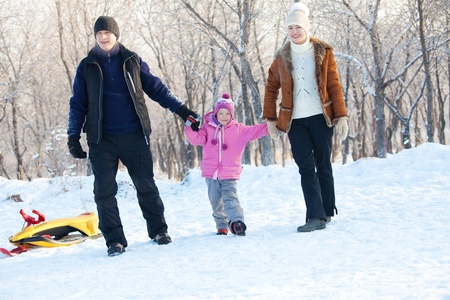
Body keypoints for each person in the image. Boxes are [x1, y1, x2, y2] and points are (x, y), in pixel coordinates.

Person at [67, 16, 200, 256]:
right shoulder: (86, 66)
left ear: (116, 35)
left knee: (146, 185)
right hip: (101, 139)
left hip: (134, 135)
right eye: (99, 34)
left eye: (108, 33)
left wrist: (182, 110)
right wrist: (72, 135)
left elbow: (157, 89)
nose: (103, 37)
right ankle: (114, 240)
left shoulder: (132, 61)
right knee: (103, 192)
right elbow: (78, 103)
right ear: (95, 36)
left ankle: (159, 230)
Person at [262, 3, 348, 232]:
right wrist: (271, 119)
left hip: (321, 118)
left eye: (298, 26)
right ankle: (315, 216)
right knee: (306, 167)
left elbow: (333, 85)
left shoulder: (323, 52)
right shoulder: (281, 57)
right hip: (295, 122)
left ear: (306, 27)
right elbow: (271, 88)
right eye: (290, 27)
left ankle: (327, 210)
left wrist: (341, 116)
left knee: (323, 165)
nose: (294, 32)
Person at [185, 93, 269, 236]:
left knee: (230, 197)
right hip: (211, 173)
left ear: (232, 115)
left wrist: (275, 125)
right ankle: (222, 226)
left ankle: (237, 223)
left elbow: (257, 130)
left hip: (229, 173)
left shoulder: (239, 130)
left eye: (227, 114)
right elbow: (195, 139)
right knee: (215, 200)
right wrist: (189, 127)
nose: (224, 116)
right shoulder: (207, 128)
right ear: (216, 114)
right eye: (221, 113)